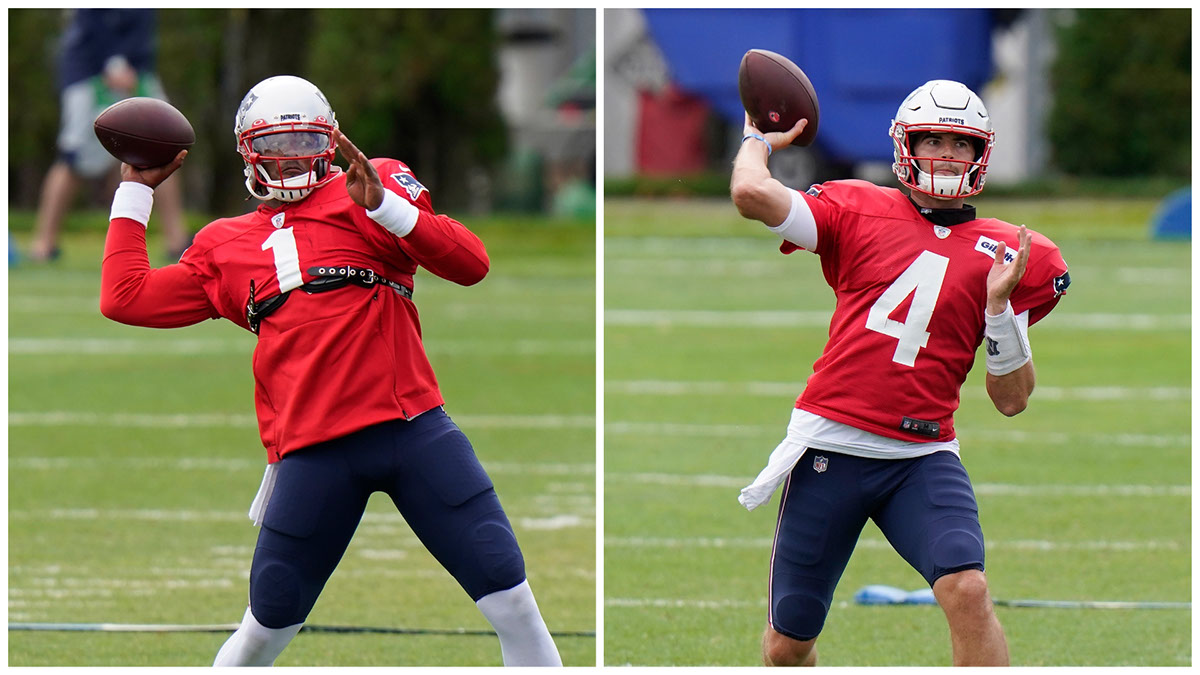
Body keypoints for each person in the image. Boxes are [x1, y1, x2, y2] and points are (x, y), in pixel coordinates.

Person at [99, 75, 562, 667]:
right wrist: (136, 191)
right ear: (249, 151)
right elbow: (125, 297)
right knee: (264, 631)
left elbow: (471, 264)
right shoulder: (222, 245)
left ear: (330, 140)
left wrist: (388, 209)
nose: (290, 158)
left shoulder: (370, 188)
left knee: (513, 602)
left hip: (414, 430)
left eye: (303, 142)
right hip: (313, 452)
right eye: (277, 144)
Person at [730, 79, 1070, 666]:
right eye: (931, 139)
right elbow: (750, 193)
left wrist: (998, 312)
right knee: (788, 644)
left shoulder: (1013, 253)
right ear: (904, 145)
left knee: (968, 588)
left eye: (958, 144)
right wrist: (758, 138)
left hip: (923, 456)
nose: (944, 154)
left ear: (980, 154)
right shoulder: (856, 208)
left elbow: (1011, 400)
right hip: (830, 445)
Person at [31, 9, 190, 262]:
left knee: (166, 148)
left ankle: (177, 242)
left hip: (139, 71)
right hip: (92, 71)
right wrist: (113, 62)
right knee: (73, 158)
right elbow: (91, 19)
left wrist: (133, 66)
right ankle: (44, 243)